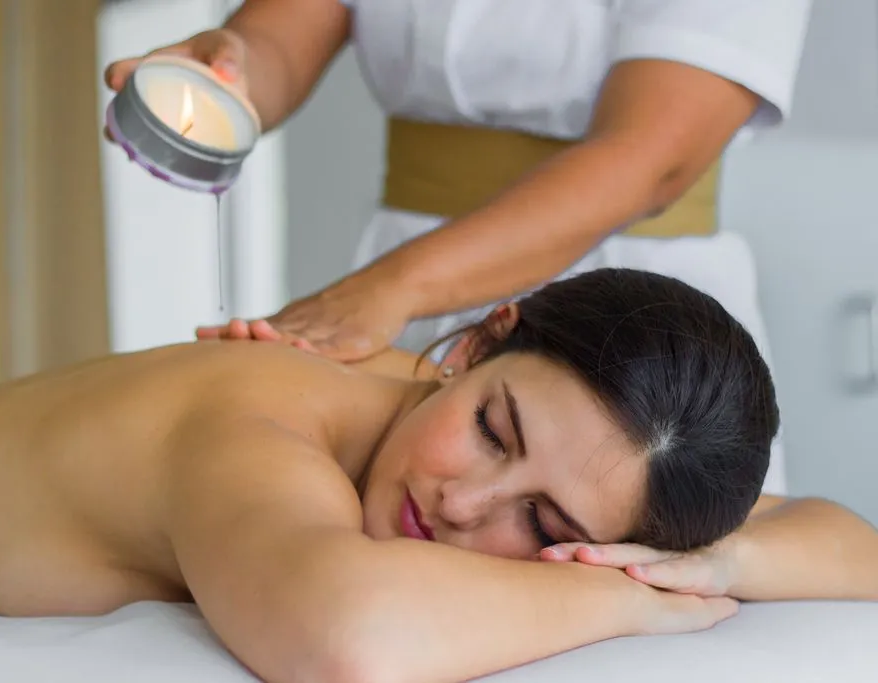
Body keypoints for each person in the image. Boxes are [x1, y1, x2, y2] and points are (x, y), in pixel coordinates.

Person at [0, 268, 876, 683]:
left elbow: (849, 544)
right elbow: (348, 638)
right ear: (476, 344)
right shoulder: (254, 427)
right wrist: (624, 597)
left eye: (542, 520)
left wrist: (713, 562)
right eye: (492, 431)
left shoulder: (471, 419)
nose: (463, 503)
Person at [104, 0, 814, 496]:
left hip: (633, 316)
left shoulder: (396, 288)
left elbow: (653, 157)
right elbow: (280, 39)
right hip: (399, 278)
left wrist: (392, 289)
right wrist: (232, 67)